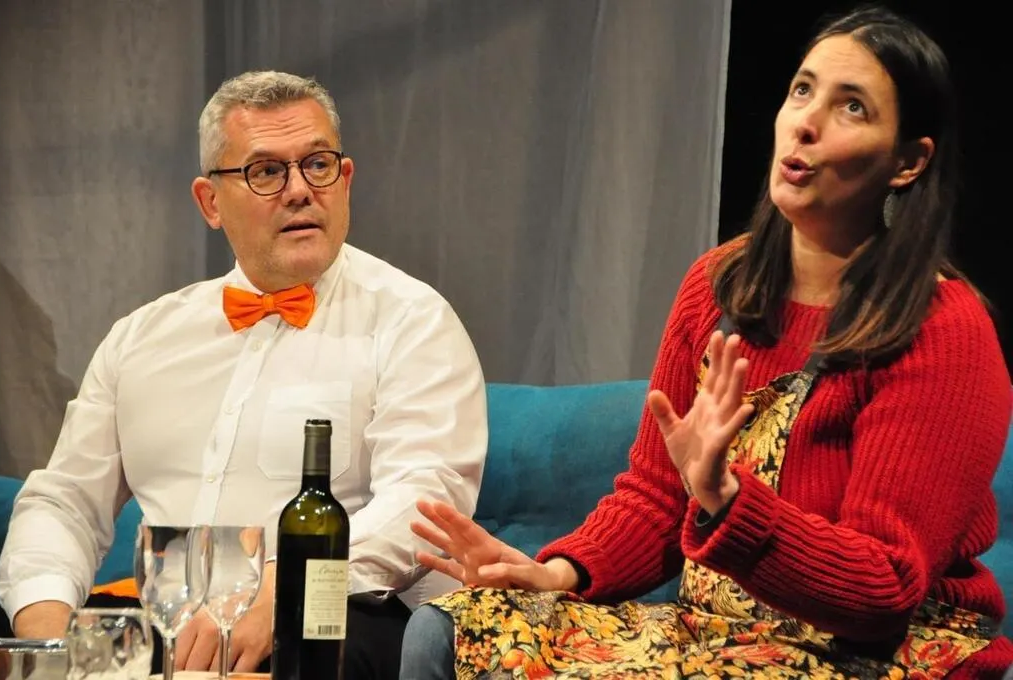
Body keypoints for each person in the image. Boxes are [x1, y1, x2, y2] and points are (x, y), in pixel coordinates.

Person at [399, 6, 1013, 679]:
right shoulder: (718, 285)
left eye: (852, 108)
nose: (805, 122)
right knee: (452, 629)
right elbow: (657, 498)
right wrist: (559, 573)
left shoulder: (942, 328)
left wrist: (728, 499)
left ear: (908, 162)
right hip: (720, 635)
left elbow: (883, 587)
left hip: (888, 650)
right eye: (802, 90)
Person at [0, 70, 488, 680]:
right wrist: (47, 634)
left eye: (318, 165)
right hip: (167, 622)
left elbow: (423, 505)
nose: (300, 190)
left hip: (334, 617)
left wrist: (285, 589)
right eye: (266, 171)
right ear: (210, 202)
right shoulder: (141, 337)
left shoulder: (412, 319)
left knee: (316, 638)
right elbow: (66, 499)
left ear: (346, 180)